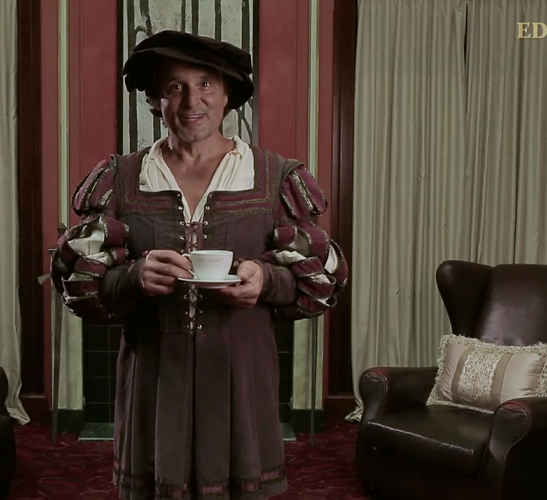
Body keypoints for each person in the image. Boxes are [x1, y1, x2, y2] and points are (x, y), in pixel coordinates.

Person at [51, 30, 348, 500]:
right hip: (154, 379)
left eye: (206, 84)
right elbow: (76, 284)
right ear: (154, 100)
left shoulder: (273, 177)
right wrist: (132, 278)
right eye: (175, 87)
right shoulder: (122, 178)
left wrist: (266, 280)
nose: (193, 101)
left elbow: (322, 280)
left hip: (242, 376)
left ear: (227, 94)